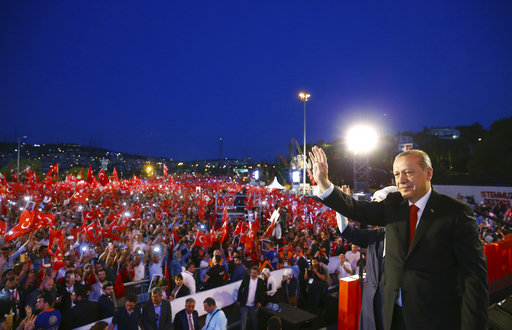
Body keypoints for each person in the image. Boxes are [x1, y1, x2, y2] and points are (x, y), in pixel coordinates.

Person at [309, 146, 488, 330]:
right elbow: (356, 208)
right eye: (396, 174)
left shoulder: (456, 213)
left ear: (429, 173)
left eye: (408, 172)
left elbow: (474, 279)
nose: (401, 180)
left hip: (433, 319)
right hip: (390, 316)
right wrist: (324, 183)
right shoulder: (393, 204)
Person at [237, 266, 265, 330]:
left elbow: (263, 294)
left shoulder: (261, 282)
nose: (252, 274)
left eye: (254, 273)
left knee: (254, 321)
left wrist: (260, 302)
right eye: (252, 273)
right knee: (243, 320)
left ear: (258, 273)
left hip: (254, 305)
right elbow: (240, 289)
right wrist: (238, 300)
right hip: (245, 304)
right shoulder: (246, 279)